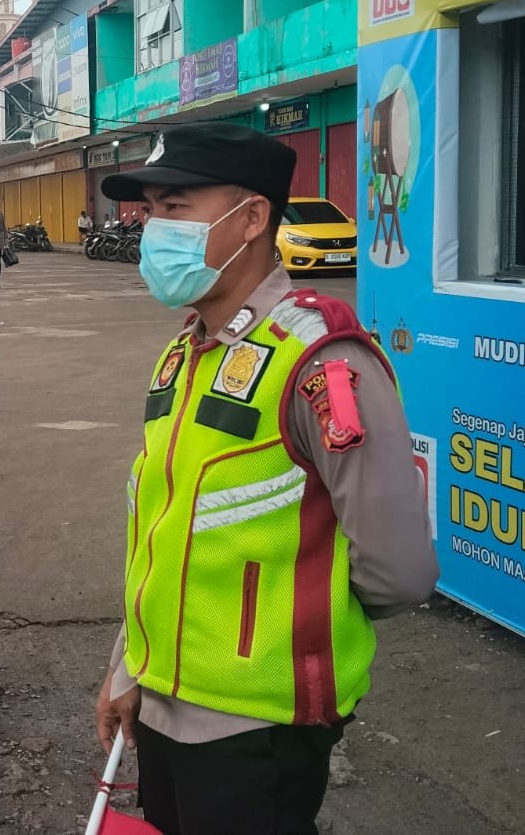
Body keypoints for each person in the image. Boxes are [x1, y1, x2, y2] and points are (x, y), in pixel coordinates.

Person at [91, 122, 439, 834]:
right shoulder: (183, 355)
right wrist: (131, 668)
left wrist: (300, 621)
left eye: (176, 207)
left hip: (258, 727)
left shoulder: (322, 363)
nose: (155, 228)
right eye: (151, 208)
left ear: (251, 218)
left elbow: (400, 571)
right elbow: (164, 531)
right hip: (161, 704)